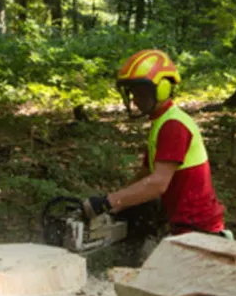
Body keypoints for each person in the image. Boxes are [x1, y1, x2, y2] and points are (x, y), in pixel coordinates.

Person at [86, 48, 227, 237]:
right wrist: (117, 202)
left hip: (197, 228)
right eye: (132, 93)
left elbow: (158, 183)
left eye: (141, 93)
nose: (135, 100)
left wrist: (109, 202)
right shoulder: (161, 122)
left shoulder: (173, 125)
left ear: (161, 89)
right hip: (184, 223)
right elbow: (145, 173)